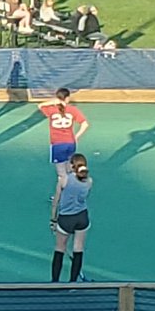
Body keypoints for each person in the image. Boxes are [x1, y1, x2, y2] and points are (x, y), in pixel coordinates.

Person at [51, 153, 92, 282]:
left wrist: (53, 219)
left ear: (73, 165)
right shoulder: (89, 181)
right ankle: (73, 283)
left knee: (60, 248)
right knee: (78, 248)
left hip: (66, 219)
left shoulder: (64, 180)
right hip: (82, 217)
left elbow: (56, 202)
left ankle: (55, 281)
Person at [39, 88, 89, 189]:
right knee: (70, 168)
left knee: (62, 173)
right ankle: (76, 187)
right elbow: (85, 124)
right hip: (70, 143)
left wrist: (52, 102)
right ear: (67, 98)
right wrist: (76, 136)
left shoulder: (52, 110)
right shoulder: (73, 110)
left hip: (57, 144)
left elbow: (40, 106)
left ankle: (66, 193)